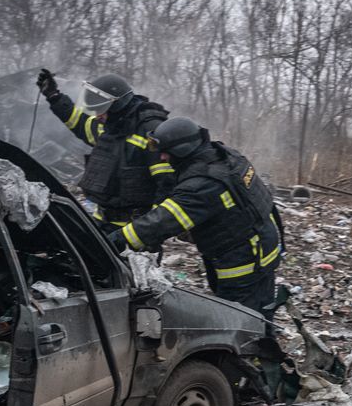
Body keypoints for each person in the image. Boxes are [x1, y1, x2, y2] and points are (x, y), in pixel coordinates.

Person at [105, 117, 283, 319]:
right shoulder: (226, 157)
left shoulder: (202, 184)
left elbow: (158, 224)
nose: (162, 157)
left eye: (166, 151)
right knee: (260, 312)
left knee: (240, 321)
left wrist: (113, 241)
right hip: (262, 247)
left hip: (243, 263)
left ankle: (253, 348)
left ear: (183, 150)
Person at [36, 69, 173, 230]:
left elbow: (166, 185)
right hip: (101, 220)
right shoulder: (110, 127)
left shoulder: (149, 130)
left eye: (101, 109)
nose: (97, 115)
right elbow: (79, 122)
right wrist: (54, 97)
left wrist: (151, 230)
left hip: (133, 227)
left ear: (117, 105)